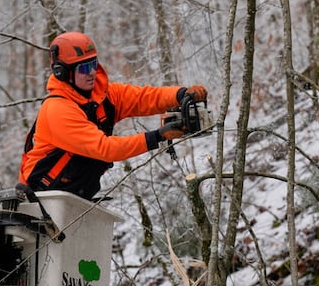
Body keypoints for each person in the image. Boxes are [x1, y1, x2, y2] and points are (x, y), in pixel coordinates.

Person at [19, 31, 208, 200]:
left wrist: (180, 94)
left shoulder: (104, 96)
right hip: (42, 197)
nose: (91, 72)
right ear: (63, 73)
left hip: (73, 197)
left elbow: (143, 98)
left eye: (93, 64)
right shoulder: (57, 109)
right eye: (83, 68)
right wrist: (157, 136)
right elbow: (106, 148)